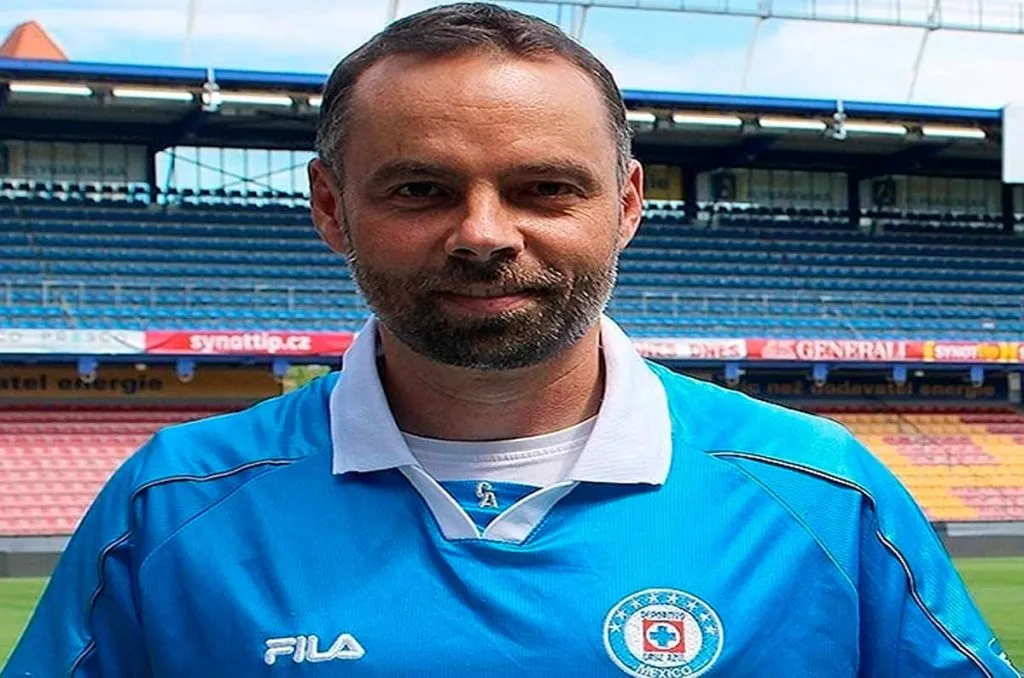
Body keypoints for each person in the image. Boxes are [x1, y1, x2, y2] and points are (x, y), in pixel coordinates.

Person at [3, 3, 1018, 677]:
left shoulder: (823, 493)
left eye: (544, 188)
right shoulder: (168, 504)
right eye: (420, 189)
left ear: (626, 205)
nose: (484, 234)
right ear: (330, 208)